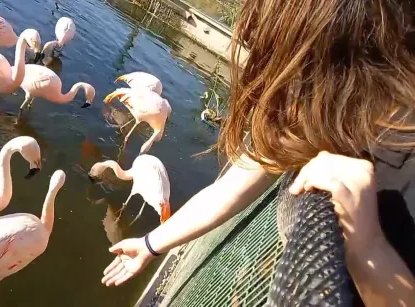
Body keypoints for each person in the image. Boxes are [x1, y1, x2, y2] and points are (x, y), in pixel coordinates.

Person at [101, 0, 415, 305]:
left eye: (290, 60)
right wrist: (149, 244)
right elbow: (227, 190)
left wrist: (368, 247)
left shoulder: (403, 163)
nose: (284, 89)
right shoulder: (314, 108)